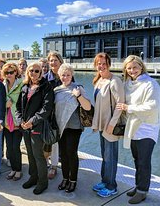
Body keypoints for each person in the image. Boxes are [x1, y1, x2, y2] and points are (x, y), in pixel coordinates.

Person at [116, 55, 160, 204]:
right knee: (137, 160)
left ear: (141, 66)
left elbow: (151, 106)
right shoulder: (128, 84)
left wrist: (129, 108)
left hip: (147, 127)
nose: (132, 70)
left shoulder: (151, 84)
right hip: (133, 126)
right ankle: (138, 186)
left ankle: (143, 191)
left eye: (135, 67)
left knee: (144, 161)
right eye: (129, 68)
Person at [15, 62, 54, 195]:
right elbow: (18, 107)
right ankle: (33, 177)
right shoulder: (25, 86)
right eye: (31, 70)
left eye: (37, 71)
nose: (34, 73)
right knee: (30, 155)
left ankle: (43, 182)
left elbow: (46, 108)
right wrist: (20, 121)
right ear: (28, 72)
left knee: (38, 155)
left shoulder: (46, 87)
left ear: (41, 72)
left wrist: (32, 121)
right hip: (25, 127)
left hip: (37, 126)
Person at [91, 53, 125, 198]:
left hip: (111, 125)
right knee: (105, 156)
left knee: (111, 157)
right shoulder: (99, 81)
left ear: (109, 64)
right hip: (102, 124)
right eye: (99, 63)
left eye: (104, 63)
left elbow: (120, 104)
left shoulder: (114, 81)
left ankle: (112, 186)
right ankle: (105, 181)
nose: (101, 66)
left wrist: (112, 124)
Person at [54, 63, 91, 193]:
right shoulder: (57, 90)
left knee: (71, 153)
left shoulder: (78, 88)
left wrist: (78, 96)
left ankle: (73, 180)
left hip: (74, 127)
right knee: (63, 154)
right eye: (63, 75)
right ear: (59, 76)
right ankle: (65, 178)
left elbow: (88, 107)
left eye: (68, 75)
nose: (65, 77)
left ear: (72, 75)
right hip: (61, 126)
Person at [2, 63, 23, 181]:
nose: (9, 75)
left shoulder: (21, 84)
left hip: (17, 120)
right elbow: (0, 100)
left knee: (16, 147)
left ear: (16, 72)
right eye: (6, 73)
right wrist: (5, 104)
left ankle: (19, 170)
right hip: (6, 121)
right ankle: (13, 169)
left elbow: (23, 102)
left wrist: (12, 104)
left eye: (11, 72)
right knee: (9, 147)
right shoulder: (3, 85)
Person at [44, 51, 64, 179]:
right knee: (46, 140)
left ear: (60, 61)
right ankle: (45, 163)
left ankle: (54, 166)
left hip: (61, 113)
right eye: (51, 60)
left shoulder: (66, 75)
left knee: (56, 142)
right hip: (48, 114)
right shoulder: (45, 78)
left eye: (55, 60)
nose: (53, 63)